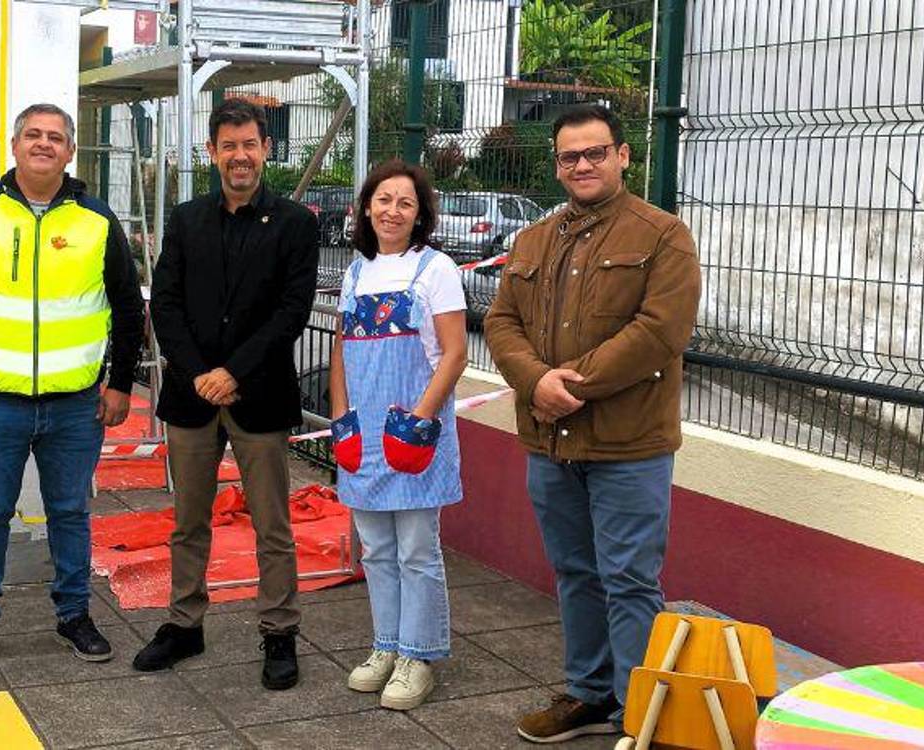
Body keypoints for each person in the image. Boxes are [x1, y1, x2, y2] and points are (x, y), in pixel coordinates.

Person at [484, 103, 701, 743]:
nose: (582, 165)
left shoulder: (663, 236)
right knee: (575, 573)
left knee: (629, 580)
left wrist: (567, 384)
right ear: (557, 165)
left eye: (595, 152)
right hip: (550, 443)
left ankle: (640, 715)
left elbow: (660, 331)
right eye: (569, 156)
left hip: (629, 447)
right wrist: (534, 381)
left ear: (623, 156)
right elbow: (501, 322)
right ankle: (588, 693)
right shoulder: (533, 240)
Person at [0, 103, 146, 672]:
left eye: (56, 137)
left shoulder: (96, 220)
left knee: (69, 512)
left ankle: (74, 616)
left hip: (75, 405)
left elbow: (126, 305)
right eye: (34, 135)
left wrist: (121, 383)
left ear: (70, 151)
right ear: (15, 145)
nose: (44, 144)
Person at [132, 98, 320, 690]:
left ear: (267, 149)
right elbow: (165, 304)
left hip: (259, 396)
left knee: (272, 526)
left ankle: (279, 631)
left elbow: (292, 311)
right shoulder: (186, 219)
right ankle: (184, 624)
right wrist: (197, 374)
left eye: (250, 144)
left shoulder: (295, 223)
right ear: (212, 152)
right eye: (229, 145)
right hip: (192, 398)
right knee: (188, 522)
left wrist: (232, 373)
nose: (240, 156)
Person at [329, 159, 467, 710]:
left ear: (419, 214)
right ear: (366, 208)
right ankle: (386, 644)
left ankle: (419, 654)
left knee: (416, 550)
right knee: (377, 550)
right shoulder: (355, 273)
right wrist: (340, 418)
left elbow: (454, 353)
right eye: (383, 200)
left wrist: (419, 421)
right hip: (361, 435)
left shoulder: (436, 269)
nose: (393, 211)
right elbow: (342, 351)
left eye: (405, 203)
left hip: (414, 434)